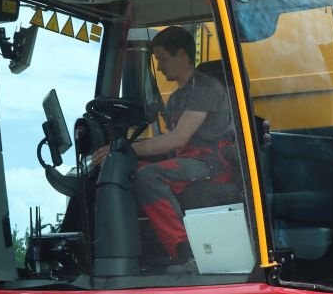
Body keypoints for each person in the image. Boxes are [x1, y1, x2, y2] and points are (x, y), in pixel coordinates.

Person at [92, 25, 237, 270]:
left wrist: (124, 148)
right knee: (126, 169)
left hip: (213, 164)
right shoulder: (178, 97)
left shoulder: (205, 89)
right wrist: (122, 153)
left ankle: (185, 251)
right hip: (189, 162)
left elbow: (177, 139)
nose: (159, 67)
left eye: (162, 59)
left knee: (148, 175)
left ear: (182, 54)